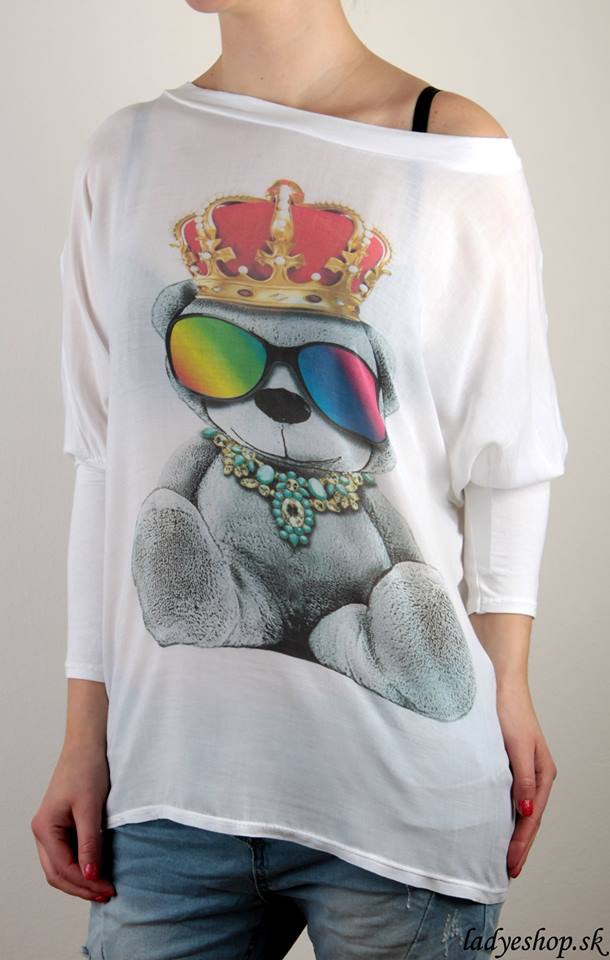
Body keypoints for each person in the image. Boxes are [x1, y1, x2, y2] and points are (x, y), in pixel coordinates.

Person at [31, 1, 569, 957]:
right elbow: (105, 464)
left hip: (401, 795)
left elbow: (508, 456)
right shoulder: (126, 153)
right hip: (168, 786)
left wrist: (509, 685)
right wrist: (84, 737)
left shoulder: (451, 150)